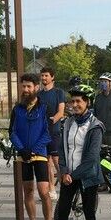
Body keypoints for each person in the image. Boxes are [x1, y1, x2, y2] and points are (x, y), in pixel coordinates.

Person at [35, 84, 104, 220]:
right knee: (63, 211)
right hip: (69, 174)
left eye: (79, 101)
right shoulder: (69, 123)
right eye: (72, 101)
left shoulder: (95, 126)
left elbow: (91, 158)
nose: (74, 104)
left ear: (87, 102)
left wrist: (72, 175)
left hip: (87, 175)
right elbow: (62, 150)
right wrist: (64, 171)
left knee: (89, 212)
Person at [9, 73, 54, 220]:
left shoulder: (44, 107)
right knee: (27, 190)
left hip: (40, 155)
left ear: (36, 87)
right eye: (23, 86)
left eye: (29, 86)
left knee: (44, 191)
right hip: (23, 156)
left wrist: (34, 150)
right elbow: (12, 132)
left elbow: (47, 133)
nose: (26, 89)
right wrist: (21, 149)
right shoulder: (17, 109)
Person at [37, 67, 65, 201]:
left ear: (52, 77)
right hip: (42, 133)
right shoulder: (39, 94)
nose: (43, 78)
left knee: (56, 161)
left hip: (54, 131)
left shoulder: (58, 92)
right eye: (42, 76)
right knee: (46, 162)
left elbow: (61, 111)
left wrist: (54, 118)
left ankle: (64, 186)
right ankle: (52, 189)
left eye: (46, 76)